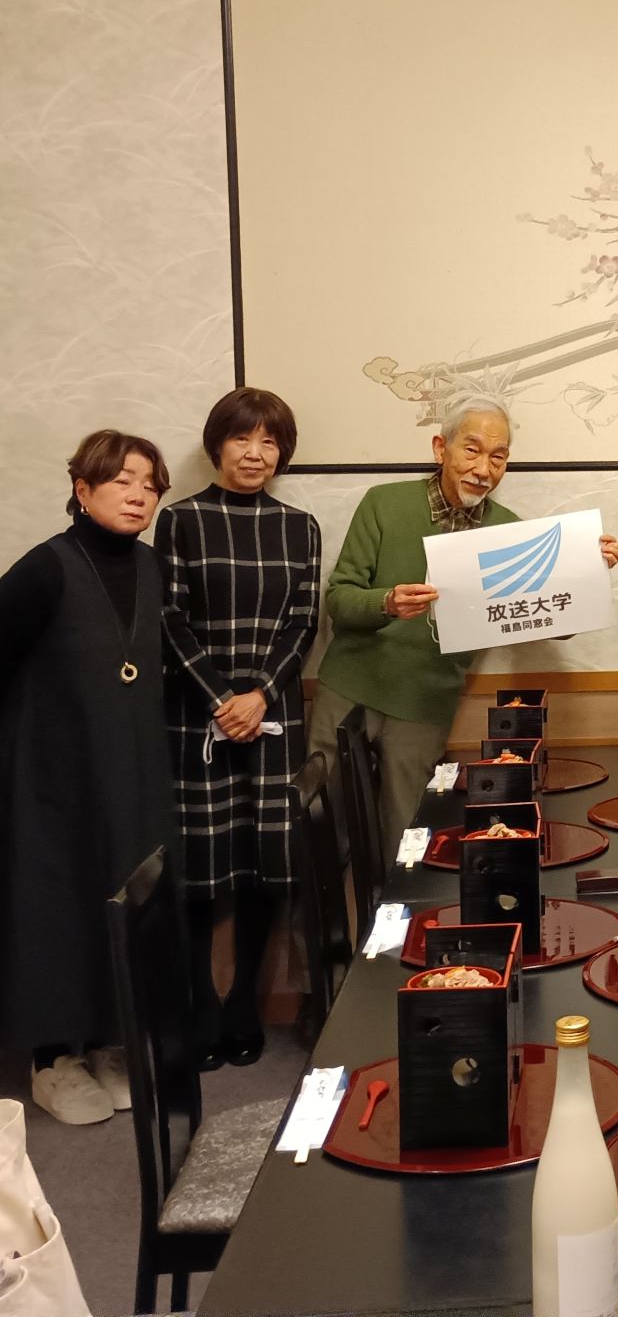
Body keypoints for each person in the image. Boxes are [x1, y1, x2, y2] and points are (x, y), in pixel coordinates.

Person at [309, 393, 618, 842]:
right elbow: (339, 598)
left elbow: (554, 621)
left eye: (498, 456)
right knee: (321, 821)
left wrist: (587, 571)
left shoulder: (510, 532)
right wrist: (387, 603)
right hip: (349, 688)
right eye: (471, 450)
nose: (483, 468)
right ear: (441, 449)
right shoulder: (384, 503)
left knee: (405, 834)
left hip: (425, 702)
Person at [0, 431, 173, 1125]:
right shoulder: (45, 568)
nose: (138, 495)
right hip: (53, 777)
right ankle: (51, 1061)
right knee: (55, 908)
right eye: (122, 480)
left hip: (130, 769)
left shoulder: (153, 567)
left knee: (122, 897)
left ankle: (107, 1043)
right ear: (82, 489)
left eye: (150, 485)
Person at [156, 389, 321, 1069]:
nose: (256, 453)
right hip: (197, 716)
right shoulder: (180, 520)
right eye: (242, 439)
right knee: (201, 864)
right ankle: (201, 1001)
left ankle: (242, 1002)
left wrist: (258, 696)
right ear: (217, 445)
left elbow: (303, 623)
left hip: (272, 714)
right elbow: (169, 619)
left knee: (264, 862)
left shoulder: (300, 527)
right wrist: (224, 699)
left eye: (269, 441)